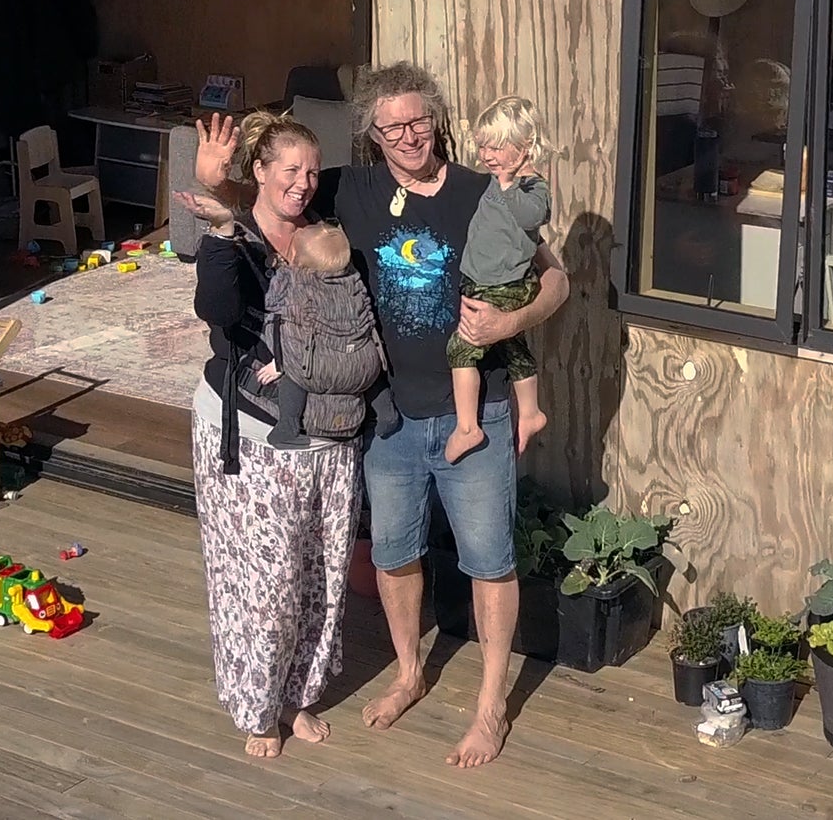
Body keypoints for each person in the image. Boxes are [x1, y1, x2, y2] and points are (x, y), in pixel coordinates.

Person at [195, 63, 571, 769]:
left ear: (438, 119)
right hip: (390, 420)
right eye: (392, 125)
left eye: (419, 120)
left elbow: (558, 277)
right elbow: (278, 200)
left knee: (490, 564)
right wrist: (221, 185)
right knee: (396, 557)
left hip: (478, 410)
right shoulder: (352, 189)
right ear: (371, 132)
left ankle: (490, 709)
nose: (408, 136)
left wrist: (512, 319)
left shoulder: (479, 191)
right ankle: (408, 671)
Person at [180, 112, 357, 761]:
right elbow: (219, 311)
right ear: (260, 170)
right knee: (260, 579)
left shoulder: (326, 226)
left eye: (313, 171)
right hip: (247, 432)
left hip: (327, 440)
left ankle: (297, 695)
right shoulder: (237, 235)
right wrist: (222, 213)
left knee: (318, 575)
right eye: (292, 170)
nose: (306, 184)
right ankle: (257, 707)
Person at [445, 96, 551, 465]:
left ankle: (467, 427)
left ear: (524, 148)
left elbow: (530, 218)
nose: (487, 154)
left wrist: (508, 184)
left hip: (505, 285)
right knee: (513, 348)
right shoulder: (497, 181)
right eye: (482, 145)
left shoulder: (531, 188)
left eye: (496, 146)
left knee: (461, 348)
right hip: (484, 281)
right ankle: (532, 412)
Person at [263, 219, 395, 450]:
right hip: (361, 365)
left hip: (316, 367)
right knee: (370, 377)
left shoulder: (294, 279)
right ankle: (387, 414)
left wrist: (281, 360)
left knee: (294, 379)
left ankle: (286, 428)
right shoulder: (353, 280)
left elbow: (277, 314)